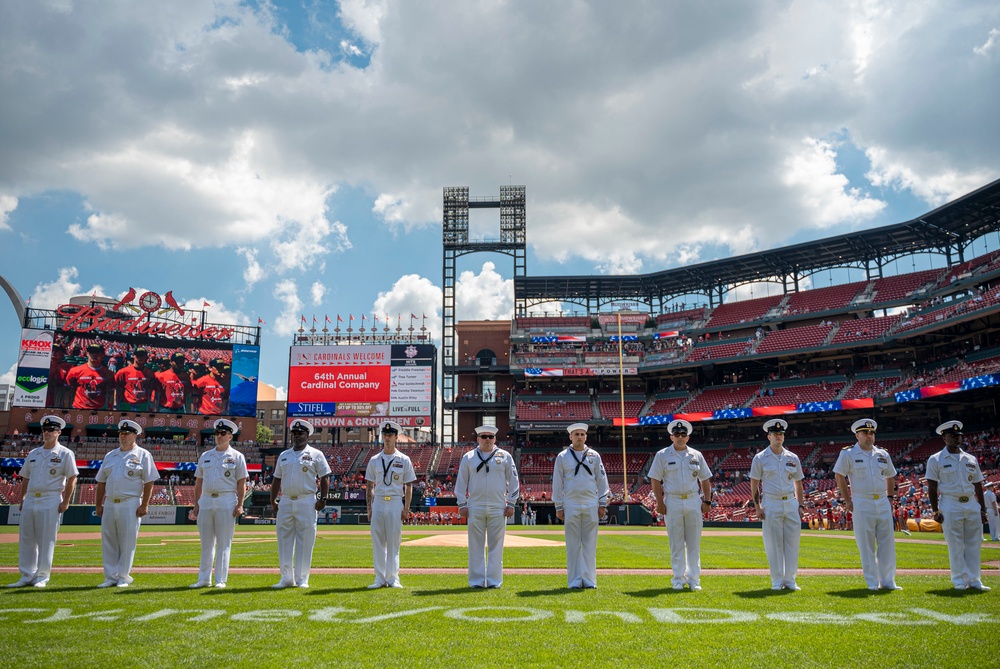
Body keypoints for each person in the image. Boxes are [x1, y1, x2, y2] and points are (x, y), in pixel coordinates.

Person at [7, 415, 78, 588]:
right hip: (31, 498)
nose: (47, 433)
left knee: (46, 540)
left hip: (51, 498)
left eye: (51, 430)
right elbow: (25, 477)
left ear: (59, 432)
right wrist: (22, 497)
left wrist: (66, 501)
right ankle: (26, 575)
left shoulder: (65, 453)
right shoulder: (34, 453)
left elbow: (72, 478)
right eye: (45, 430)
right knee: (26, 538)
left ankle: (42, 576)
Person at [833, 418, 902, 591]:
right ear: (857, 435)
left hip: (882, 501)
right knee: (866, 544)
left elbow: (890, 475)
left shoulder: (882, 454)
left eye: (871, 433)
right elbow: (839, 475)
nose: (869, 436)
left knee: (887, 542)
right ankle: (872, 582)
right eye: (865, 433)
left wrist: (891, 497)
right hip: (862, 501)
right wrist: (848, 500)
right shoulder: (848, 453)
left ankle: (888, 581)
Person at [648, 419, 713, 591]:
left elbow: (705, 479)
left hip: (693, 500)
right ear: (671, 437)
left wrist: (707, 500)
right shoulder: (662, 455)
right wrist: (659, 502)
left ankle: (694, 580)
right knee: (676, 542)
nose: (680, 437)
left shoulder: (696, 455)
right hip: (673, 500)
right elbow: (655, 479)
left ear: (688, 437)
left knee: (693, 543)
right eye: (677, 434)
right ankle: (678, 578)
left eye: (683, 434)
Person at [925, 420, 991, 591]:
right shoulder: (936, 459)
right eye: (952, 436)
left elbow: (977, 485)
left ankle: (975, 579)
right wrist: (935, 510)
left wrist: (982, 509)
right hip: (950, 502)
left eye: (959, 436)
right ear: (944, 438)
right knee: (955, 544)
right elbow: (931, 487)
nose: (957, 438)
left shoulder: (970, 459)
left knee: (973, 543)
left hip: (970, 503)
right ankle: (959, 580)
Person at [94, 419, 158, 587]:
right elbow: (101, 481)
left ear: (135, 435)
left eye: (127, 433)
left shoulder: (143, 455)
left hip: (130, 502)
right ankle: (110, 577)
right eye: (121, 433)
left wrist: (145, 504)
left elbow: (149, 481)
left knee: (127, 541)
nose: (123, 436)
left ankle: (123, 577)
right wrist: (98, 504)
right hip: (109, 502)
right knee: (109, 540)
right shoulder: (110, 455)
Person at [455, 425, 519, 588]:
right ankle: (476, 581)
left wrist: (511, 502)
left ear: (495, 439)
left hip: (498, 506)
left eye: (491, 437)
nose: (487, 440)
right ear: (478, 439)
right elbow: (461, 483)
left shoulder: (505, 456)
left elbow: (514, 481)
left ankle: (494, 581)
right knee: (475, 546)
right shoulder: (469, 457)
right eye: (484, 437)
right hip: (475, 506)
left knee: (496, 546)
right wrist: (462, 504)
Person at [270, 419, 331, 589]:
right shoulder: (284, 455)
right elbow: (276, 479)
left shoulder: (316, 454)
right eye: (295, 433)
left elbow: (325, 477)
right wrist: (273, 500)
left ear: (307, 435)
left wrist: (323, 499)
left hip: (306, 500)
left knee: (305, 540)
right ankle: (286, 578)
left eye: (301, 433)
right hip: (286, 500)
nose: (297, 436)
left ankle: (302, 578)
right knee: (284, 539)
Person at [190, 418, 248, 588]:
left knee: (224, 543)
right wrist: (196, 503)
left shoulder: (237, 456)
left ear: (230, 436)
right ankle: (204, 579)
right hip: (206, 499)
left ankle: (220, 580)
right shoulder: (206, 456)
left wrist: (240, 504)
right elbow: (198, 482)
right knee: (206, 543)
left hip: (226, 499)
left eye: (223, 433)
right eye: (217, 433)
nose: (219, 436)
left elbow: (241, 482)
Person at [552, 422, 609, 589]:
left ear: (586, 436)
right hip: (571, 503)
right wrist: (558, 506)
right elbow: (557, 482)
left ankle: (590, 580)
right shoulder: (563, 457)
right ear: (570, 437)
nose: (579, 437)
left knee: (590, 544)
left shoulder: (594, 456)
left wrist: (602, 502)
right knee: (573, 545)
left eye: (582, 434)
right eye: (576, 434)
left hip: (591, 502)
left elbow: (601, 480)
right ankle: (575, 581)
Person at [749, 418, 805, 591]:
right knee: (773, 544)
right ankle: (776, 580)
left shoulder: (792, 457)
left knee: (792, 543)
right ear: (769, 436)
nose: (778, 436)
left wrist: (801, 505)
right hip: (771, 502)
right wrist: (757, 507)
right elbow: (754, 483)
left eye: (781, 434)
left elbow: (798, 483)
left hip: (790, 502)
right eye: (775, 434)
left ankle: (790, 580)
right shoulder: (760, 458)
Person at [364, 421, 416, 588]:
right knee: (377, 541)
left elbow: (409, 485)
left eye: (390, 435)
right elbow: (370, 485)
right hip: (378, 501)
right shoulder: (374, 460)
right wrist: (369, 508)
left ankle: (393, 578)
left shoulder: (404, 459)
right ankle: (379, 579)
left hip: (395, 501)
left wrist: (406, 508)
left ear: (396, 437)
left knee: (394, 542)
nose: (387, 437)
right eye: (385, 435)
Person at [65, 342, 115, 410]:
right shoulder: (75, 371)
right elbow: (68, 392)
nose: (94, 354)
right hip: (78, 408)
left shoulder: (109, 374)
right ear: (87, 354)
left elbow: (110, 395)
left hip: (99, 410)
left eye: (97, 352)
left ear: (103, 355)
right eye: (91, 352)